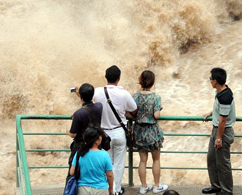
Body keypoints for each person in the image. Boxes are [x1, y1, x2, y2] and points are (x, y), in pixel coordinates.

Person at [93, 65, 137, 195]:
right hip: (119, 132)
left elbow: (89, 102)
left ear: (105, 77)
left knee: (107, 163)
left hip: (103, 134)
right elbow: (133, 109)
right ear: (119, 78)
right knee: (118, 164)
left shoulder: (97, 92)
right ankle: (116, 190)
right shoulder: (124, 93)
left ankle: (107, 189)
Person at [132, 70, 168, 194]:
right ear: (153, 82)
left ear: (141, 81)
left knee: (142, 160)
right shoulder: (155, 97)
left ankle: (143, 186)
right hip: (152, 131)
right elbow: (156, 115)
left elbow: (132, 112)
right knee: (156, 159)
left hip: (139, 131)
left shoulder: (135, 96)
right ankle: (157, 186)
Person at [202, 67, 234, 195]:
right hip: (217, 130)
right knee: (212, 159)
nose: (210, 81)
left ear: (215, 81)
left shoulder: (225, 97)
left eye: (210, 79)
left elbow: (223, 121)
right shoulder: (220, 91)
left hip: (223, 132)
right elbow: (220, 111)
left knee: (223, 163)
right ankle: (215, 186)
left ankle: (227, 190)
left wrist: (219, 138)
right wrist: (212, 112)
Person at [70, 125, 114, 195]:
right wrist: (111, 189)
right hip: (101, 189)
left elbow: (72, 172)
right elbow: (110, 175)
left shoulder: (79, 153)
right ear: (97, 141)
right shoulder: (105, 155)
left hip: (83, 189)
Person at [68, 83, 105, 166]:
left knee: (76, 171)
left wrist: (67, 132)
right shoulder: (99, 106)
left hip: (81, 147)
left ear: (81, 96)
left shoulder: (79, 114)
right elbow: (92, 103)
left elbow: (73, 134)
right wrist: (80, 95)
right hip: (96, 144)